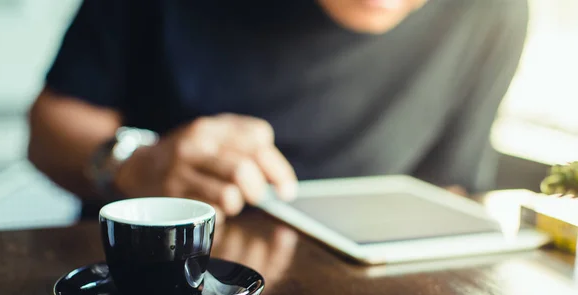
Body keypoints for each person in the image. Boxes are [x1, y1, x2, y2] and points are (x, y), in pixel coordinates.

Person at [28, 0, 529, 223]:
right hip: (147, 294)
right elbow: (51, 125)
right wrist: (135, 166)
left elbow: (449, 189)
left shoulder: (494, 12)